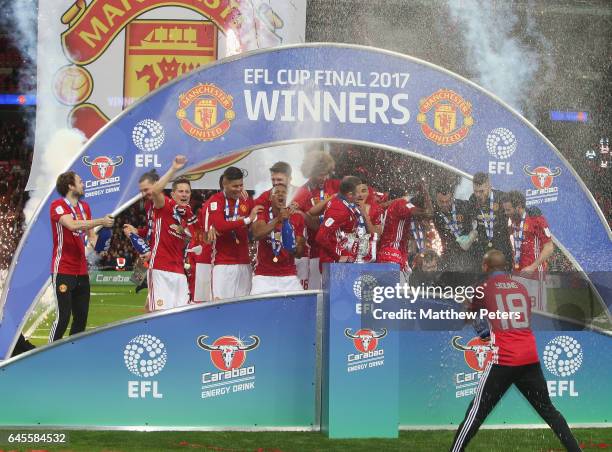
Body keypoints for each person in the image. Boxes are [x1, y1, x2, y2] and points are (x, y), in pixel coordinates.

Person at [449, 250, 582, 452]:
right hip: (529, 358)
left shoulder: (483, 287)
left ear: (485, 267)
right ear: (504, 267)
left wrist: (466, 306)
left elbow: (470, 317)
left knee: (475, 414)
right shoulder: (520, 287)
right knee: (550, 412)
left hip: (504, 359)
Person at [49, 171, 114, 341]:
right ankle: (46, 355)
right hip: (63, 269)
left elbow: (91, 236)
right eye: (80, 181)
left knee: (81, 317)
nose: (83, 184)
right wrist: (101, 221)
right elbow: (71, 225)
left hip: (81, 271)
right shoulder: (57, 205)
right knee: (63, 317)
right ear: (70, 185)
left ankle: (73, 355)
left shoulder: (85, 207)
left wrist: (99, 246)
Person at [145, 156, 194, 311]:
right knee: (159, 315)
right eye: (180, 191)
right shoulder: (165, 205)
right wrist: (173, 168)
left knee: (181, 315)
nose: (184, 194)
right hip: (160, 268)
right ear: (173, 194)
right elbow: (155, 191)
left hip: (179, 272)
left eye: (187, 192)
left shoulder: (188, 214)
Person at [208, 166, 262, 299]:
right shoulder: (216, 200)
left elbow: (256, 220)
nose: (238, 189)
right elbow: (220, 226)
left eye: (241, 185)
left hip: (244, 263)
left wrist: (250, 221)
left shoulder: (246, 200)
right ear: (224, 184)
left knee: (243, 308)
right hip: (223, 264)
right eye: (235, 186)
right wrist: (246, 220)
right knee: (219, 308)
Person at [292, 151, 340, 289]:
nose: (323, 178)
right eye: (320, 174)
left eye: (326, 174)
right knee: (317, 295)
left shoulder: (335, 185)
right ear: (310, 172)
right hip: (315, 252)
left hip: (336, 251)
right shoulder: (301, 192)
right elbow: (301, 219)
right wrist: (305, 216)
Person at [502, 190, 554, 311]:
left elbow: (549, 247)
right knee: (518, 312)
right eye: (505, 210)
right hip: (517, 274)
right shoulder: (511, 221)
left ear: (519, 207)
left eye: (508, 210)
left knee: (537, 312)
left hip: (534, 274)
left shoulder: (536, 219)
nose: (506, 213)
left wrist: (532, 267)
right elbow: (515, 247)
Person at [250, 184, 305, 294]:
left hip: (288, 275)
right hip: (263, 276)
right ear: (270, 198)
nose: (281, 194)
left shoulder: (296, 217)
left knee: (298, 308)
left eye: (284, 193)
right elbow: (257, 234)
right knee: (257, 309)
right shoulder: (262, 213)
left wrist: (291, 245)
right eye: (276, 192)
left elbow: (299, 253)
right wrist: (278, 220)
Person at [377, 181, 433, 281]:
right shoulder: (400, 203)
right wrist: (426, 193)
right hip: (392, 255)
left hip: (387, 254)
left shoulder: (384, 207)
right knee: (393, 293)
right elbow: (428, 214)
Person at [315, 176, 364, 266]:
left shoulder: (341, 202)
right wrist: (338, 256)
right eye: (358, 192)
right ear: (349, 194)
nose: (361, 195)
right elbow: (321, 236)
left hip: (340, 262)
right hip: (335, 264)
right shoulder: (339, 210)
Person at [467, 172, 512, 266]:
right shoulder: (472, 199)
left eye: (481, 191)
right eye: (476, 191)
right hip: (482, 249)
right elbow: (472, 222)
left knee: (502, 278)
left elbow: (515, 211)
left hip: (501, 246)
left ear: (489, 186)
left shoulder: (501, 197)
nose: (478, 195)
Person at [433, 184, 477, 272]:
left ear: (452, 197)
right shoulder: (434, 212)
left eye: (448, 201)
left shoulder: (464, 206)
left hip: (470, 254)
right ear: (436, 199)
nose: (445, 204)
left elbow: (480, 222)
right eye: (441, 201)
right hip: (449, 256)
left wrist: (472, 235)